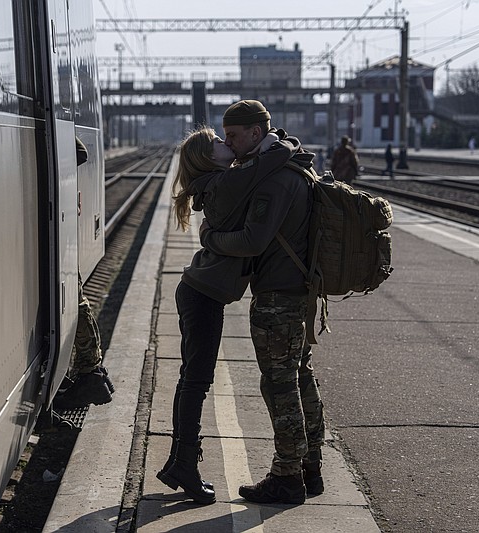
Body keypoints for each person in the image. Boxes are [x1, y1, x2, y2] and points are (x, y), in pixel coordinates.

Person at [158, 124, 298, 505]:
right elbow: (277, 160)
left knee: (193, 379)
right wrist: (282, 144)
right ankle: (183, 464)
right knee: (196, 381)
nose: (226, 143)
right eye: (219, 142)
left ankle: (180, 462)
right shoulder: (223, 184)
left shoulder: (222, 182)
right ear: (207, 157)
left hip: (201, 294)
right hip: (201, 296)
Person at [202, 99, 325, 505]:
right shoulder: (291, 167)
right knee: (299, 375)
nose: (228, 143)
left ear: (256, 134)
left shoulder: (274, 180)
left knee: (279, 383)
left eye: (233, 136)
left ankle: (287, 475)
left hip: (278, 298)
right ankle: (311, 466)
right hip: (298, 292)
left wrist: (211, 238)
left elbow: (253, 240)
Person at [51, 137, 115, 411]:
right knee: (76, 302)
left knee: (75, 303)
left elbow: (79, 151)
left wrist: (64, 183)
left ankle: (91, 372)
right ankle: (91, 372)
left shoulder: (67, 145)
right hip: (61, 232)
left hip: (61, 235)